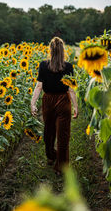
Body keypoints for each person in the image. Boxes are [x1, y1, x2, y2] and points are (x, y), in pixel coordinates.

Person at [31, 37, 78, 174]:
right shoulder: (68, 66)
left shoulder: (43, 65)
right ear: (63, 50)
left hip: (48, 101)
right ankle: (61, 168)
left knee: (49, 132)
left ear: (50, 50)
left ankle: (51, 155)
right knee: (63, 135)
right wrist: (75, 106)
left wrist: (33, 103)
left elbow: (39, 86)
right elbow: (70, 89)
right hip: (64, 101)